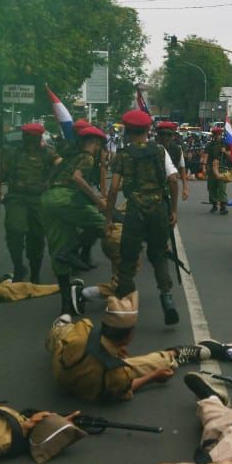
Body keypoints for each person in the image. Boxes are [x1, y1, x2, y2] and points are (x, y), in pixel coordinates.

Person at [47, 291, 206, 401]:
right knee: (141, 365)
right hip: (89, 388)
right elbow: (127, 387)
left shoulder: (84, 329)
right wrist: (153, 377)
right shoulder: (116, 372)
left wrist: (113, 348)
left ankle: (57, 327)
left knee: (63, 333)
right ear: (128, 336)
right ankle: (174, 354)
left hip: (61, 374)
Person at [106, 109, 181, 324]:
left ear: (128, 131)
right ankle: (167, 298)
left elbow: (113, 189)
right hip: (158, 208)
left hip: (135, 209)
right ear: (148, 130)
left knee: (128, 258)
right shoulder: (159, 151)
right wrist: (173, 210)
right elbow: (173, 180)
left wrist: (108, 218)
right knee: (158, 254)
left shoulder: (123, 155)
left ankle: (127, 306)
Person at [41, 126, 109, 315]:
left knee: (58, 254)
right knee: (102, 223)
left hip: (48, 199)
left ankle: (66, 304)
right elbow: (77, 179)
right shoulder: (87, 157)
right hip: (65, 197)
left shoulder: (67, 156)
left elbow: (50, 176)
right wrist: (99, 202)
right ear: (95, 143)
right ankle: (71, 250)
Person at [0, 122, 58, 282]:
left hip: (38, 200)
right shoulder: (14, 153)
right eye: (28, 138)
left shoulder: (48, 153)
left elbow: (60, 164)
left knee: (37, 237)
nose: (31, 141)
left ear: (39, 138)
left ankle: (35, 275)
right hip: (17, 198)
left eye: (34, 138)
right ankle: (18, 267)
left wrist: (49, 180)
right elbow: (2, 172)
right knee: (15, 231)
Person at [156, 121, 190, 202]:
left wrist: (185, 188)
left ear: (173, 136)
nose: (165, 137)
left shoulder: (177, 149)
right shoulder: (152, 148)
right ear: (159, 136)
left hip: (170, 185)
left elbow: (182, 168)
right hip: (154, 186)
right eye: (162, 135)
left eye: (169, 135)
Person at [204, 125, 230, 215]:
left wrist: (225, 151)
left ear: (221, 134)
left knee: (222, 187)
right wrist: (204, 167)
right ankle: (214, 204)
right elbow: (206, 156)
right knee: (211, 187)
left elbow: (231, 157)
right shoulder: (210, 145)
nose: (216, 136)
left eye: (218, 134)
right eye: (215, 134)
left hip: (222, 167)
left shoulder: (226, 144)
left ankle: (223, 205)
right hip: (211, 167)